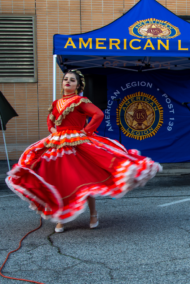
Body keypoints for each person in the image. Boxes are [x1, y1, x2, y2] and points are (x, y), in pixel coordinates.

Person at [6, 70, 162, 233]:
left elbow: (98, 114)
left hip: (77, 143)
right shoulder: (56, 103)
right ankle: (61, 217)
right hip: (58, 144)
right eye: (65, 79)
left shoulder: (80, 101)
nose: (67, 82)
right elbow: (50, 119)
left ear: (78, 85)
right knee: (59, 178)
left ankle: (93, 214)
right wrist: (52, 129)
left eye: (72, 80)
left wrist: (85, 131)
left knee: (85, 178)